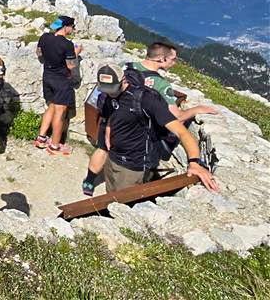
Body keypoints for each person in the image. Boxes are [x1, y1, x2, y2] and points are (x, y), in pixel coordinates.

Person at [80, 42, 217, 195]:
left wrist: (194, 162)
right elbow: (114, 108)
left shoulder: (145, 98)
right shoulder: (116, 88)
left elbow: (182, 132)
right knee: (111, 194)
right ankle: (92, 182)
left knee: (123, 203)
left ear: (124, 80)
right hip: (113, 157)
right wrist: (109, 126)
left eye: (113, 90)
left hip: (132, 163)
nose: (110, 94)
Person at [34, 16, 81, 155]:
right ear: (65, 27)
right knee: (60, 113)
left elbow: (38, 53)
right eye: (72, 26)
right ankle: (55, 145)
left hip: (47, 77)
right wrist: (76, 53)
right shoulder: (67, 44)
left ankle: (41, 138)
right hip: (61, 81)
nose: (72, 29)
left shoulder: (45, 37)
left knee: (51, 107)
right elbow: (71, 65)